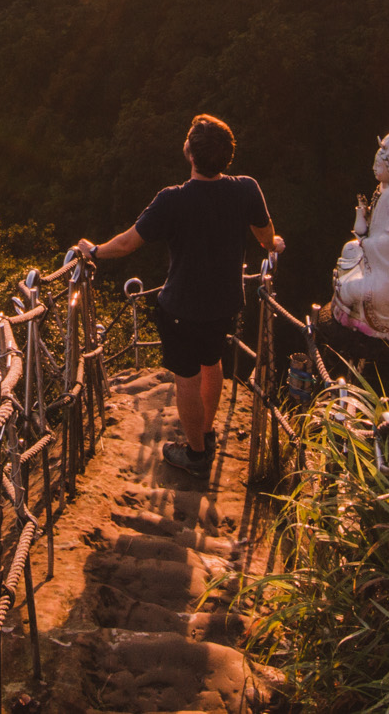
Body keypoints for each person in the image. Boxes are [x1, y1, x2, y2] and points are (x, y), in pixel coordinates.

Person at [76, 114, 284, 475]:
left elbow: (126, 245)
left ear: (190, 153)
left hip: (181, 308)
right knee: (212, 363)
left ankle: (197, 454)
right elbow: (266, 238)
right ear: (228, 155)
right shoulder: (246, 189)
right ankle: (205, 431)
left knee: (186, 377)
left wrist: (93, 252)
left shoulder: (172, 200)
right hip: (225, 303)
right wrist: (274, 244)